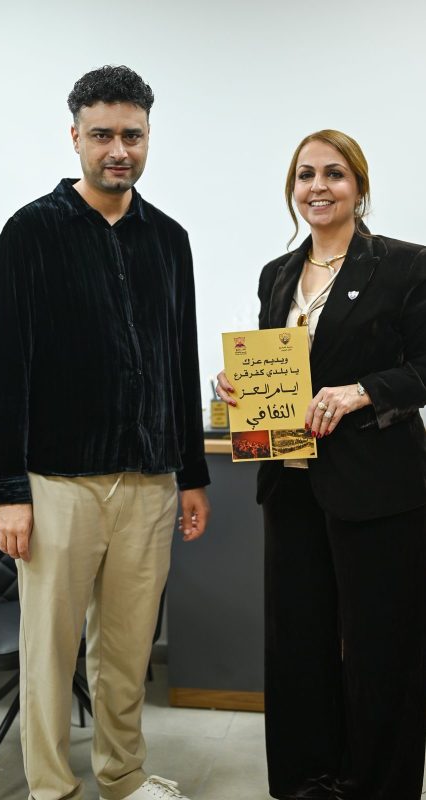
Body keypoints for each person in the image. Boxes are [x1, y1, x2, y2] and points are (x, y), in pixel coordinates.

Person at [0, 65, 210, 800]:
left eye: (132, 135)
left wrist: (192, 474)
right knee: (49, 652)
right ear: (74, 136)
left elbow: (179, 359)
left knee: (128, 648)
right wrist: (7, 491)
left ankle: (123, 775)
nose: (119, 149)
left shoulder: (169, 239)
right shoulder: (30, 232)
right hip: (57, 485)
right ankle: (52, 788)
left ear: (148, 136)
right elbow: (6, 367)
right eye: (102, 134)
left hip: (150, 482)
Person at [217, 129, 426, 800]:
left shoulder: (406, 266)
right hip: (290, 483)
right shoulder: (277, 274)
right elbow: (279, 369)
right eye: (305, 175)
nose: (318, 187)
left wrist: (363, 390)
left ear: (358, 186)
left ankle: (379, 786)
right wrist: (236, 385)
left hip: (377, 486)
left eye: (334, 173)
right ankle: (308, 779)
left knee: (380, 648)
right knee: (299, 641)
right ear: (293, 189)